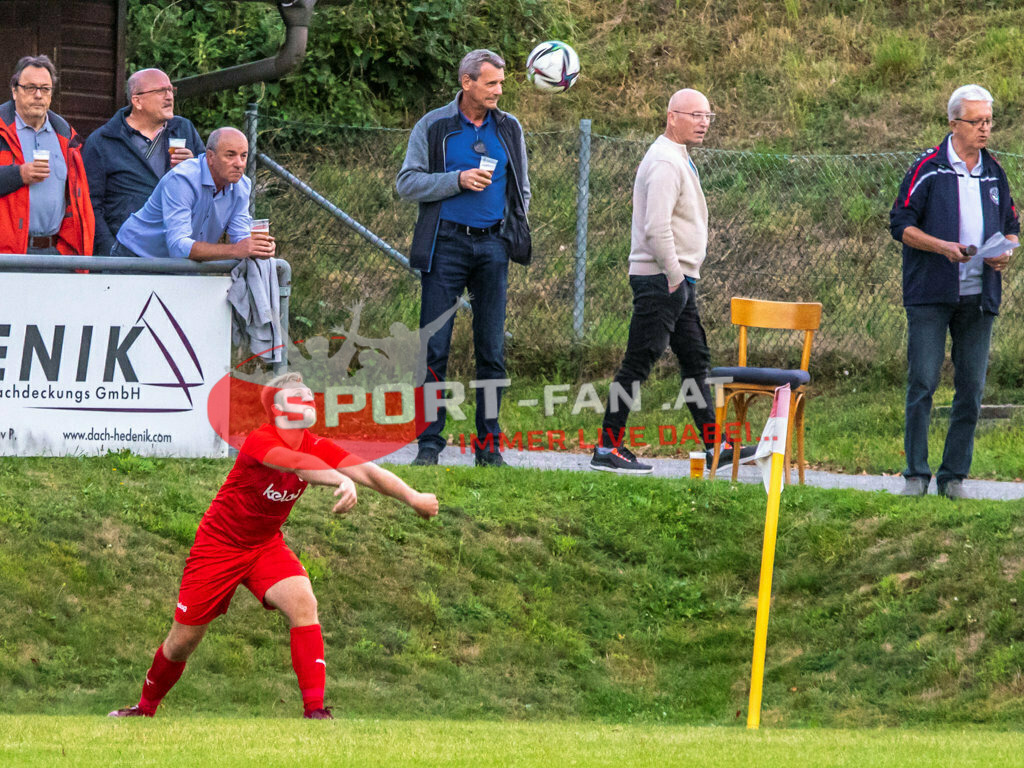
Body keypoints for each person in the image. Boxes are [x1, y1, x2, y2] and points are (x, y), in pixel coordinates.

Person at [109, 371, 439, 719]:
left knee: (303, 602)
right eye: (298, 394)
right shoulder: (259, 440)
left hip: (264, 545)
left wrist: (413, 497)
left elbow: (368, 472)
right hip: (218, 546)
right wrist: (338, 478)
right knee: (182, 643)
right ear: (278, 410)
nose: (309, 398)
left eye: (310, 394)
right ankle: (143, 709)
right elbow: (298, 465)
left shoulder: (315, 443)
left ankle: (315, 712)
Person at [590, 89, 755, 475]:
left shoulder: (677, 157)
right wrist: (676, 278)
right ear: (671, 117)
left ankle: (717, 445)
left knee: (696, 361)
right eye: (695, 115)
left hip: (676, 280)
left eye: (708, 115)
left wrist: (681, 280)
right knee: (638, 362)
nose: (703, 122)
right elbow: (655, 227)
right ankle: (607, 447)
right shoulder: (664, 160)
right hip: (662, 279)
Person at [396, 49, 531, 468]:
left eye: (501, 83)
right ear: (467, 82)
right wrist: (456, 180)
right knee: (434, 349)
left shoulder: (509, 128)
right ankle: (429, 446)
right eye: (491, 83)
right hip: (446, 245)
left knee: (491, 350)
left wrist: (509, 236)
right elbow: (407, 183)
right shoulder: (434, 127)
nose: (499, 91)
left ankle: (489, 449)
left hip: (493, 248)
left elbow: (521, 188)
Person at [889, 84, 1019, 499]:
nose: (985, 129)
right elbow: (900, 224)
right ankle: (915, 473)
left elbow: (1012, 227)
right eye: (976, 122)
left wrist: (1008, 253)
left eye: (988, 121)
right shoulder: (927, 167)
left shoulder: (994, 170)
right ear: (953, 123)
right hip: (930, 294)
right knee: (923, 382)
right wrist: (942, 246)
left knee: (972, 389)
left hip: (979, 297)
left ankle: (953, 477)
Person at [83, 68, 205, 255]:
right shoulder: (103, 141)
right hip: (128, 252)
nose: (169, 97)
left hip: (177, 248)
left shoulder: (184, 129)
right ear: (137, 101)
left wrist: (195, 167)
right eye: (160, 91)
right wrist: (110, 250)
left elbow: (210, 184)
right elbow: (90, 205)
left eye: (171, 90)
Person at [112, 126, 273, 261]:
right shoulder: (182, 179)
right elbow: (177, 246)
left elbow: (241, 235)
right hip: (135, 255)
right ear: (210, 157)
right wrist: (235, 250)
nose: (239, 164)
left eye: (243, 156)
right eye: (230, 155)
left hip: (181, 266)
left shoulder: (243, 185)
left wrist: (257, 248)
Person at [0, 54, 93, 255]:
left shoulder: (66, 136)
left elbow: (77, 201)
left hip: (53, 253)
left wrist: (67, 252)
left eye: (45, 89)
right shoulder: (2, 130)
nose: (38, 95)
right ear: (15, 91)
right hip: (7, 256)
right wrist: (19, 175)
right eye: (30, 88)